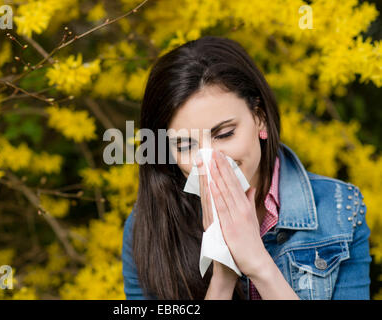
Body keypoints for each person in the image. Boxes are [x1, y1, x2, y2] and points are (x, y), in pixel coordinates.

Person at [122, 36, 371, 300]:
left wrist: (258, 265)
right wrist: (222, 275)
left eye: (225, 134)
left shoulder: (339, 209)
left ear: (259, 118)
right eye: (185, 145)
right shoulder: (147, 226)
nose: (210, 159)